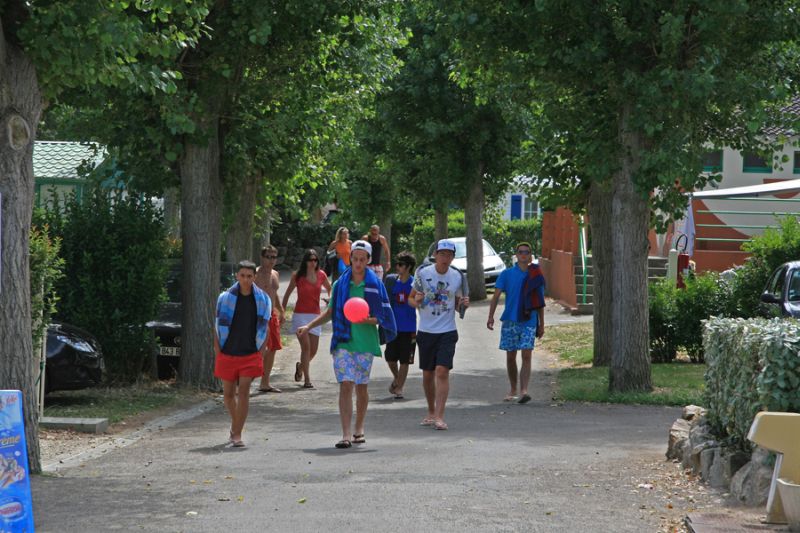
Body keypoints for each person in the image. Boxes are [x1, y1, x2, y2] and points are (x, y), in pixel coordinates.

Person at [297, 240, 396, 449]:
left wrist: (367, 319)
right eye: (355, 258)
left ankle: (359, 427)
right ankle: (345, 434)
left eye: (362, 259)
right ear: (350, 258)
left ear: (368, 261)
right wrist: (308, 326)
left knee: (361, 387)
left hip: (366, 343)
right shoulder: (340, 285)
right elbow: (331, 313)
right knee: (345, 384)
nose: (358, 263)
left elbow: (383, 317)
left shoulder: (376, 285)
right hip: (343, 341)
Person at [409, 239, 469, 431]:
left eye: (449, 255)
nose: (445, 258)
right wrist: (416, 301)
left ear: (453, 257)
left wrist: (463, 305)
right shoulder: (422, 273)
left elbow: (460, 301)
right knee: (428, 374)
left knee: (442, 371)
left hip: (447, 330)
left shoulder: (457, 277)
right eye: (441, 254)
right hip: (426, 330)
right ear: (435, 255)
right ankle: (431, 411)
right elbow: (410, 299)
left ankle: (440, 416)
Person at [214, 260, 272, 448]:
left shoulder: (263, 299)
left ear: (254, 277)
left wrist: (261, 350)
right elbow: (215, 326)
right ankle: (235, 424)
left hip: (250, 352)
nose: (246, 280)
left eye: (249, 276)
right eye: (242, 276)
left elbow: (266, 326)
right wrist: (217, 350)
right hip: (228, 351)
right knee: (229, 395)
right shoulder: (225, 298)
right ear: (237, 276)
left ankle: (237, 434)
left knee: (244, 392)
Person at [486, 242, 546, 404]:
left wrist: (541, 324)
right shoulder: (506, 274)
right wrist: (490, 316)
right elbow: (496, 296)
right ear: (516, 255)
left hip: (529, 320)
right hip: (510, 319)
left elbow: (539, 302)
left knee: (526, 353)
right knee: (511, 356)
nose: (523, 255)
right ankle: (513, 389)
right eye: (521, 252)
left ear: (531, 256)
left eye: (527, 252)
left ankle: (524, 390)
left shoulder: (536, 275)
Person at [282, 248, 331, 389]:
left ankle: (301, 367)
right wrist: (282, 311)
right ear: (305, 261)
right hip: (300, 315)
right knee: (306, 348)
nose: (313, 262)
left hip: (315, 316)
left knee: (313, 351)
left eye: (315, 260)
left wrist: (330, 299)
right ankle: (307, 380)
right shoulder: (297, 275)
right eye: (310, 260)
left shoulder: (321, 275)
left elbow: (330, 288)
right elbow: (286, 294)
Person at [383, 251, 417, 400]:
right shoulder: (391, 281)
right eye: (397, 264)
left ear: (408, 267)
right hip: (393, 327)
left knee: (405, 359)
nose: (397, 267)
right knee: (390, 358)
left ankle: (399, 388)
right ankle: (398, 379)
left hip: (409, 327)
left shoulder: (415, 283)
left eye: (401, 264)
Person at [255, 245, 285, 393]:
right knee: (258, 349)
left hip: (271, 314)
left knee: (273, 348)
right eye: (268, 257)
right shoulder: (255, 274)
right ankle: (243, 379)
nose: (271, 260)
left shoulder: (275, 273)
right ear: (262, 257)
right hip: (258, 315)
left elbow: (274, 292)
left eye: (274, 257)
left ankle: (265, 383)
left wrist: (281, 310)